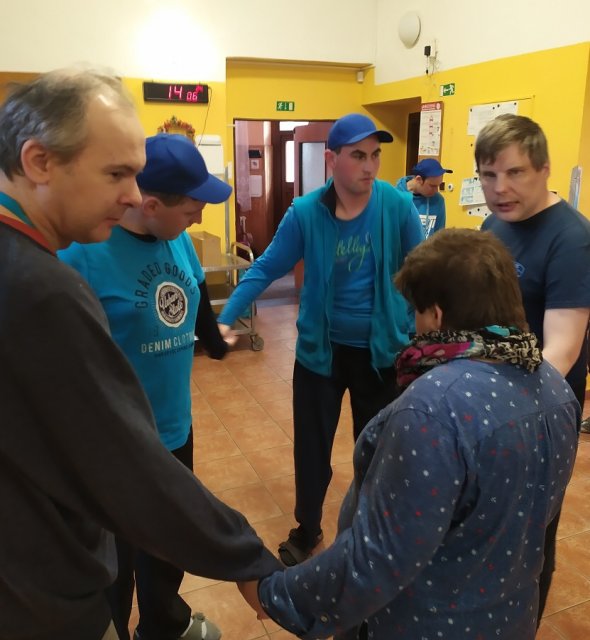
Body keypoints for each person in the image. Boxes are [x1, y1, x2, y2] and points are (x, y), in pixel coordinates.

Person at [0, 69, 282, 640]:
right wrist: (245, 557)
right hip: (41, 597)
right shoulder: (40, 286)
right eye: (116, 174)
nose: (134, 195)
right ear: (39, 162)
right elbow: (121, 461)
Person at [237, 228, 580, 640]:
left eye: (415, 311)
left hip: (422, 625)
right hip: (511, 618)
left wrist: (276, 596)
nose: (411, 325)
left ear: (435, 315)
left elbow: (376, 560)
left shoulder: (434, 409)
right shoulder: (557, 389)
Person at [217, 112, 424, 566]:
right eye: (358, 156)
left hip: (381, 354)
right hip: (321, 354)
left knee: (378, 449)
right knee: (311, 450)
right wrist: (227, 316)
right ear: (332, 159)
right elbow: (266, 267)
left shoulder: (396, 206)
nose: (369, 166)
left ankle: (372, 530)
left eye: (375, 155)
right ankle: (307, 529)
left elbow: (424, 269)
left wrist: (425, 332)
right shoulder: (306, 213)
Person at [59, 133, 237, 640]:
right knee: (115, 565)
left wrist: (214, 341)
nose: (197, 221)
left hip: (175, 428)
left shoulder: (174, 237)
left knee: (169, 545)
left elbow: (195, 289)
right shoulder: (82, 253)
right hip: (115, 444)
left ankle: (162, 626)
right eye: (191, 211)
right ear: (152, 205)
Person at [477, 113, 590, 618]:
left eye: (515, 172)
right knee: (487, 527)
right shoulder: (492, 225)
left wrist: (496, 411)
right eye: (488, 174)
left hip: (538, 414)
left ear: (544, 169)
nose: (500, 188)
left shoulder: (572, 238)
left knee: (530, 536)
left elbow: (561, 351)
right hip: (489, 406)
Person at [394, 158, 452, 238]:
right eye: (432, 186)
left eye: (438, 185)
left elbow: (439, 237)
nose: (436, 190)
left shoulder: (438, 200)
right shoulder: (395, 197)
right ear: (419, 179)